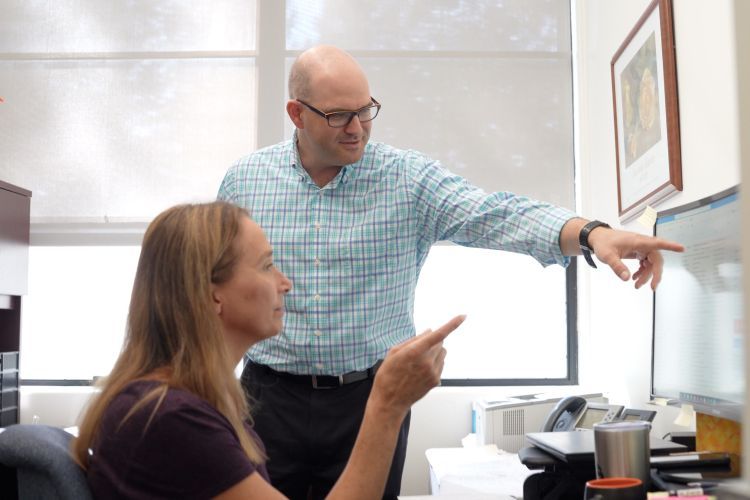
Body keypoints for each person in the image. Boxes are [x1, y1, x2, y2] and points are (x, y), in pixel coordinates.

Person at [217, 45, 685, 499]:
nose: (357, 128)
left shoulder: (405, 178)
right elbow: (210, 283)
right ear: (297, 114)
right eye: (339, 115)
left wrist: (589, 233)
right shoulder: (245, 181)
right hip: (264, 399)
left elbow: (494, 214)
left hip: (372, 399)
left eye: (366, 110)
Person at [71, 201, 466, 499]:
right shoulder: (170, 419)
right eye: (266, 265)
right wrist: (387, 405)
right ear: (211, 296)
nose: (285, 283)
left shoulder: (187, 401)